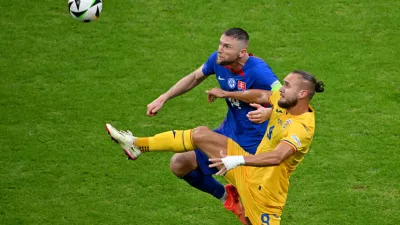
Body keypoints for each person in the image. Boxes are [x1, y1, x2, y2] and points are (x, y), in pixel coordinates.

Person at [106, 70, 324, 224]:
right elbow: (265, 96)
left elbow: (277, 157)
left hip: (265, 192)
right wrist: (228, 94)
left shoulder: (302, 128)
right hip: (248, 168)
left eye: (287, 85)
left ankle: (242, 208)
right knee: (201, 134)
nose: (281, 88)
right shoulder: (286, 102)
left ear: (303, 94)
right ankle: (137, 145)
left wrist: (235, 160)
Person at [142, 28, 281, 217]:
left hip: (252, 146)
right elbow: (194, 77)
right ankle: (228, 197)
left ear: (242, 53)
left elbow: (289, 100)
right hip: (228, 133)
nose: (220, 49)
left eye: (226, 46)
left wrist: (270, 111)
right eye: (220, 44)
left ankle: (139, 145)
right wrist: (164, 97)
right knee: (179, 163)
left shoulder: (259, 71)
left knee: (254, 216)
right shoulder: (218, 60)